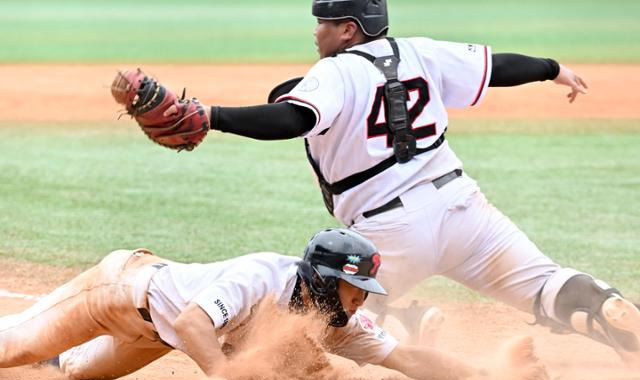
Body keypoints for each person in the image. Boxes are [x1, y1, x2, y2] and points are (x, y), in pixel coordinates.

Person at [169, 0, 640, 360]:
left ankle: (405, 320)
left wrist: (211, 116)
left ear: (348, 29)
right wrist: (553, 69)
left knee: (313, 322)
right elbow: (498, 67)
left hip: (389, 234)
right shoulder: (420, 51)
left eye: (323, 23)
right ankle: (603, 306)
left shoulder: (333, 72)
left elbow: (291, 118)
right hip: (466, 211)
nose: (316, 31)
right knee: (546, 285)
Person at [1, 228, 510, 380]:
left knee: (78, 373)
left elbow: (407, 358)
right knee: (12, 347)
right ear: (326, 281)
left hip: (151, 337)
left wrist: (485, 375)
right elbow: (192, 323)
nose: (362, 299)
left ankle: (55, 350)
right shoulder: (263, 274)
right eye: (356, 288)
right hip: (117, 293)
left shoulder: (334, 320)